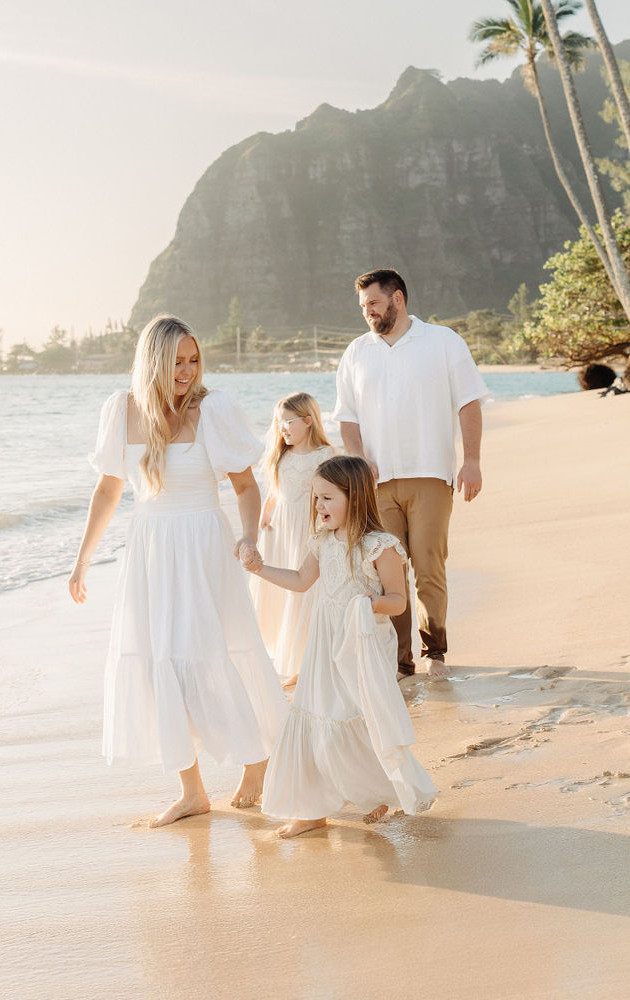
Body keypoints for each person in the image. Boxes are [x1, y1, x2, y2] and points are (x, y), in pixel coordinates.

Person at [68, 314, 287, 827]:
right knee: (158, 661)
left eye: (193, 360)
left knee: (209, 652)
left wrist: (249, 536)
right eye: (176, 362)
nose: (187, 372)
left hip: (203, 547)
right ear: (153, 362)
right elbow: (107, 490)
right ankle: (192, 791)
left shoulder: (213, 410)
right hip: (150, 551)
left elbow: (246, 486)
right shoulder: (120, 411)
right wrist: (81, 560)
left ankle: (256, 758)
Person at [243, 455, 437, 838]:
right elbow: (301, 580)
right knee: (315, 717)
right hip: (324, 642)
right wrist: (259, 568)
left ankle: (374, 791)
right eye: (316, 498)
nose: (319, 506)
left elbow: (398, 600)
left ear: (356, 496)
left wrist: (370, 603)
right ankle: (312, 809)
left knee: (354, 718)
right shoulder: (323, 541)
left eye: (328, 498)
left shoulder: (380, 546)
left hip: (362, 643)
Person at [335, 268, 488, 678]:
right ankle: (400, 662)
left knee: (429, 565)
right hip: (376, 483)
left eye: (374, 303)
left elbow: (469, 402)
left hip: (430, 475)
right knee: (388, 574)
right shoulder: (356, 352)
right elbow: (347, 418)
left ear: (397, 299)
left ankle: (433, 651)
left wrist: (470, 460)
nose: (367, 312)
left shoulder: (442, 341)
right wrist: (357, 458)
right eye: (363, 306)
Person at [251, 392, 335, 684]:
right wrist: (266, 510)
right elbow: (278, 489)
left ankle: (307, 663)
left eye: (287, 422)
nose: (281, 428)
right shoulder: (282, 454)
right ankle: (288, 657)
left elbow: (332, 494)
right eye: (278, 423)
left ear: (308, 421)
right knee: (281, 592)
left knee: (307, 592)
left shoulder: (325, 455)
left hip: (308, 530)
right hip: (280, 530)